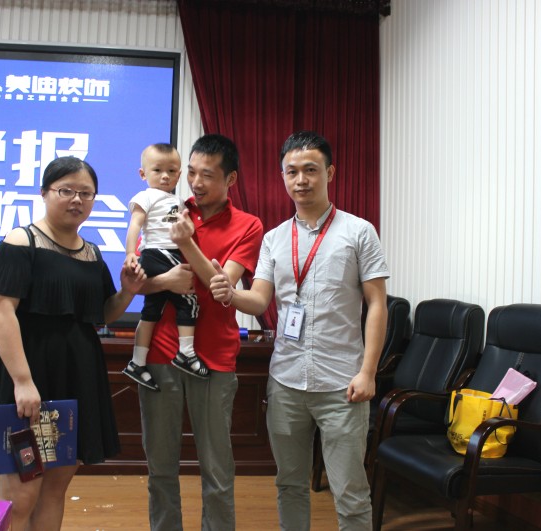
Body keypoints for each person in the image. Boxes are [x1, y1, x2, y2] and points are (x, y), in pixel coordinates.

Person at [210, 131, 389, 530]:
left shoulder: (359, 232)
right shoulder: (274, 239)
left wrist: (368, 372)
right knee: (289, 484)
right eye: (292, 172)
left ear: (330, 173)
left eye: (311, 170)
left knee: (350, 491)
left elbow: (377, 303)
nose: (301, 180)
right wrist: (230, 294)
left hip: (342, 384)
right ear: (283, 176)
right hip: (286, 381)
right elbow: (259, 300)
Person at [0, 156, 146, 531]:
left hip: (75, 379)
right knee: (21, 494)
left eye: (86, 193)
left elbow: (102, 314)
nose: (77, 200)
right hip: (26, 380)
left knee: (54, 489)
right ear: (44, 193)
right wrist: (23, 381)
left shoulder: (91, 253)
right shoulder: (21, 242)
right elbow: (1, 311)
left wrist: (128, 292)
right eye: (66, 190)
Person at [138, 134, 264, 531]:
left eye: (207, 175)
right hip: (160, 353)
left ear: (231, 179)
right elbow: (141, 283)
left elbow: (222, 287)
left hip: (214, 357)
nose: (195, 182)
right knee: (160, 467)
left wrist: (187, 245)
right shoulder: (169, 207)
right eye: (190, 172)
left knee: (216, 470)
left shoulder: (248, 226)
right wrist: (162, 281)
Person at [122, 143, 207, 392]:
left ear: (179, 174)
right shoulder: (146, 196)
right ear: (143, 174)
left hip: (166, 253)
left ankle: (137, 362)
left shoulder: (178, 201)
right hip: (159, 253)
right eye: (157, 170)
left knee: (151, 311)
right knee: (189, 299)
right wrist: (130, 252)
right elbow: (135, 224)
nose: (165, 176)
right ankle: (186, 353)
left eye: (171, 171)